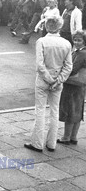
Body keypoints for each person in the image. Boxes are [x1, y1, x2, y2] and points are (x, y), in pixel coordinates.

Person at [25, 16, 72, 152]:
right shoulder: (66, 43)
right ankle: (51, 143)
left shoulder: (42, 41)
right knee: (54, 111)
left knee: (40, 110)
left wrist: (49, 79)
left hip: (43, 80)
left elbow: (40, 65)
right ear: (60, 27)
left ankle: (37, 143)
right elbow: (68, 66)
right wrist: (58, 80)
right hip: (58, 80)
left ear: (46, 26)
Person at [58, 30, 86, 145]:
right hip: (80, 86)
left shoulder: (81, 53)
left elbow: (72, 68)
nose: (76, 42)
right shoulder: (80, 52)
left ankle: (66, 137)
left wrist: (60, 71)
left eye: (79, 40)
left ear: (84, 41)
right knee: (77, 111)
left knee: (70, 110)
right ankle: (73, 137)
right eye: (75, 40)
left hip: (72, 85)